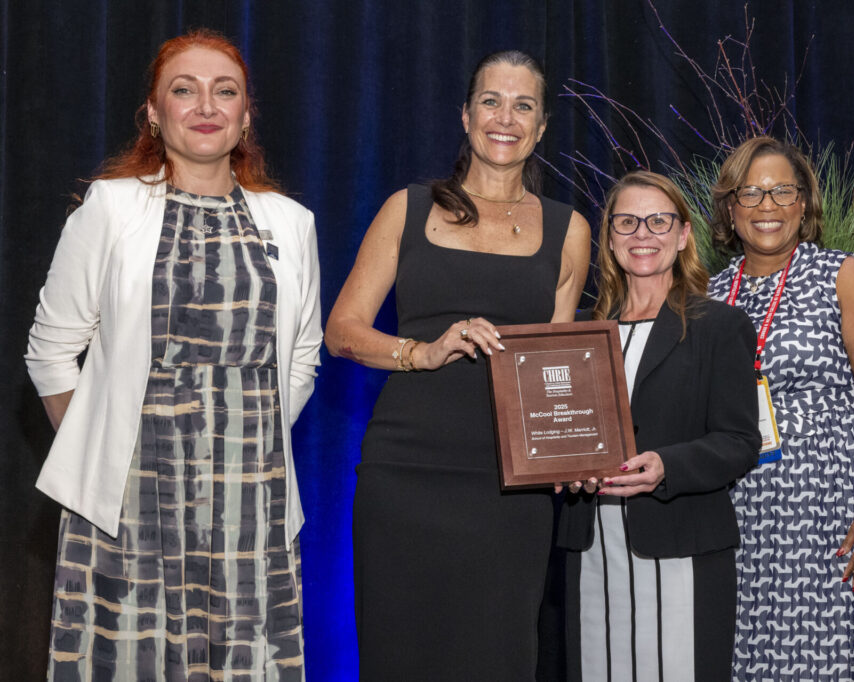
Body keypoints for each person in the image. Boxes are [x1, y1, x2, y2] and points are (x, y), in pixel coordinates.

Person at [25, 29, 321, 681]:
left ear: (245, 116)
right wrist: (105, 451)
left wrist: (250, 447)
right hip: (128, 514)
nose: (205, 105)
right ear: (154, 114)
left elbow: (301, 357)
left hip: (252, 516)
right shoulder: (112, 207)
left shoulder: (291, 222)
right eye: (183, 91)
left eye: (225, 92)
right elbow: (51, 352)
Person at [325, 50, 590, 679]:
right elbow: (342, 331)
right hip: (405, 474)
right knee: (400, 656)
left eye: (523, 105)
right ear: (465, 116)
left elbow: (557, 368)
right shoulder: (408, 209)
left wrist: (575, 452)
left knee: (497, 657)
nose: (506, 117)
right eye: (491, 102)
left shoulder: (569, 228)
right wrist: (422, 351)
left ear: (543, 125)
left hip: (508, 487)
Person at [706, 136, 854, 679]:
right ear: (730, 207)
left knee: (831, 662)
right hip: (743, 520)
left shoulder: (842, 275)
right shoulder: (710, 294)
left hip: (835, 516)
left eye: (782, 192)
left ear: (804, 204)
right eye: (750, 193)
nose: (767, 206)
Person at [556, 171, 761, 680]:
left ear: (683, 234)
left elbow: (740, 442)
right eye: (626, 222)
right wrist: (557, 465)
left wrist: (666, 466)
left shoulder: (720, 326)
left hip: (682, 548)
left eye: (658, 221)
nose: (642, 234)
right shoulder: (576, 330)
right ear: (609, 238)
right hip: (591, 552)